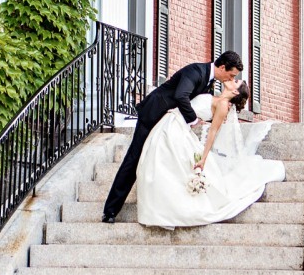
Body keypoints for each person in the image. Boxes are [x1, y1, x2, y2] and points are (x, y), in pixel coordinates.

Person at [102, 51, 244, 222]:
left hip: (171, 123)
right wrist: (193, 120)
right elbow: (180, 95)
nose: (230, 79)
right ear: (222, 67)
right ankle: (110, 211)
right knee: (134, 158)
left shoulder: (210, 82)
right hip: (154, 114)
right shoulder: (196, 71)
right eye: (231, 75)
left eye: (234, 78)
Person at [136, 80, 285, 228]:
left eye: (236, 81)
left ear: (235, 91)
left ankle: (166, 209)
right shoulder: (216, 97)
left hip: (177, 128)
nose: (233, 79)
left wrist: (203, 158)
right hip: (173, 123)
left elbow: (213, 132)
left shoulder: (223, 106)